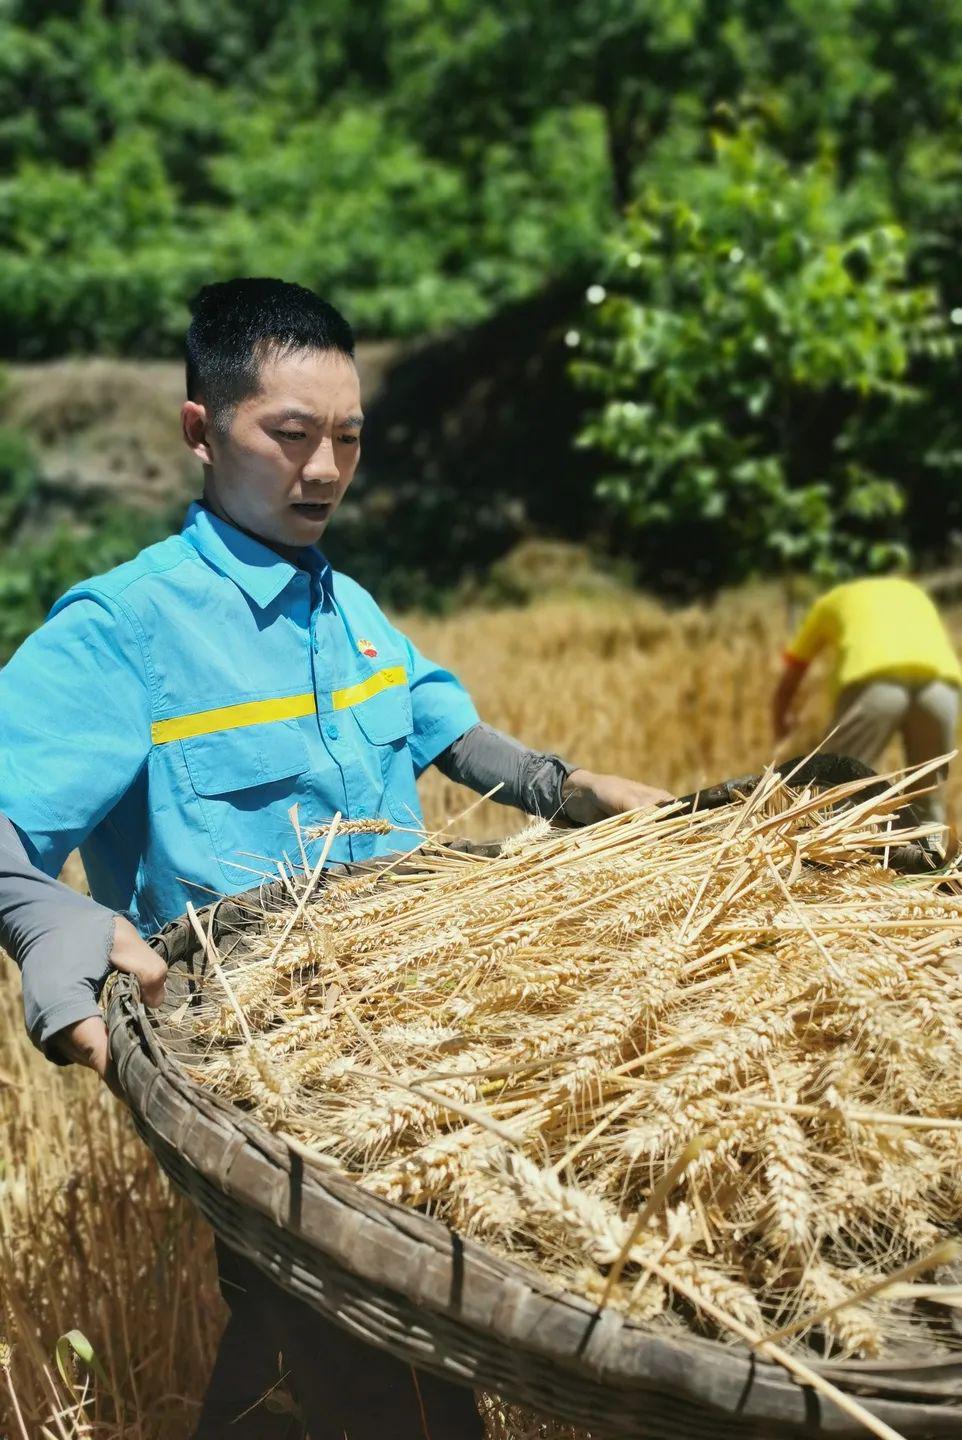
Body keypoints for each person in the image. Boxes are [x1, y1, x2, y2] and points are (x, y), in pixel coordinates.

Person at [0, 278, 671, 1439]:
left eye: (347, 439)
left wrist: (563, 791)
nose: (322, 471)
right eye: (290, 435)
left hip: (415, 1049)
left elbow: (434, 722)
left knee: (324, 1370)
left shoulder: (343, 604)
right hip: (264, 1086)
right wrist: (34, 912)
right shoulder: (123, 631)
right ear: (201, 432)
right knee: (373, 1370)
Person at [772, 574, 961, 825]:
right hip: (941, 686)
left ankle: (830, 862)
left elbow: (791, 675)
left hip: (875, 682)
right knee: (926, 797)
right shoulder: (912, 592)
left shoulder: (831, 601)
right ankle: (933, 860)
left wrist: (781, 728)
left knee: (837, 787)